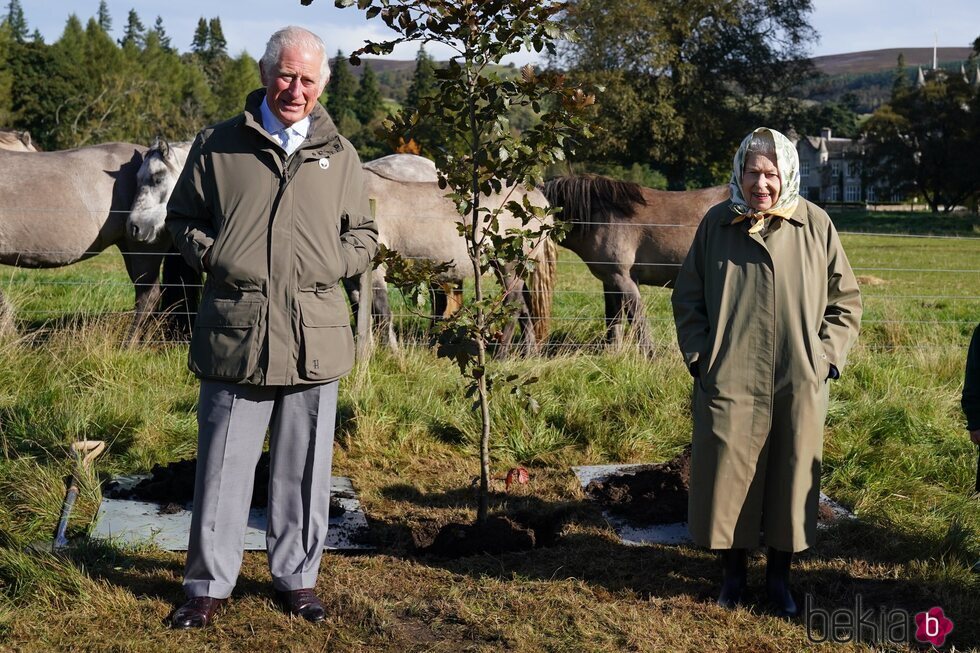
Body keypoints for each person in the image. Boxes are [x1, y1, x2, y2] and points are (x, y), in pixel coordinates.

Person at [164, 26, 378, 629]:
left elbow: (364, 234)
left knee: (306, 467)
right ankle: (207, 586)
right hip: (239, 330)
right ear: (264, 75)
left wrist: (331, 263)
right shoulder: (218, 146)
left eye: (308, 79)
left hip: (315, 333)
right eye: (286, 75)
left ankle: (298, 579)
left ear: (321, 85)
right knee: (223, 463)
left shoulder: (341, 154)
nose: (296, 89)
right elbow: (182, 220)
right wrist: (217, 256)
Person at [671, 127, 862, 617]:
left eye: (771, 173)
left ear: (787, 175)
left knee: (791, 474)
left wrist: (825, 359)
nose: (762, 184)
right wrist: (700, 357)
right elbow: (688, 298)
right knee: (728, 475)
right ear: (739, 173)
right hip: (729, 374)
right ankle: (732, 578)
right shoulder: (717, 223)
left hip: (797, 376)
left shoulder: (815, 225)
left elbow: (845, 303)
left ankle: (779, 581)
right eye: (753, 172)